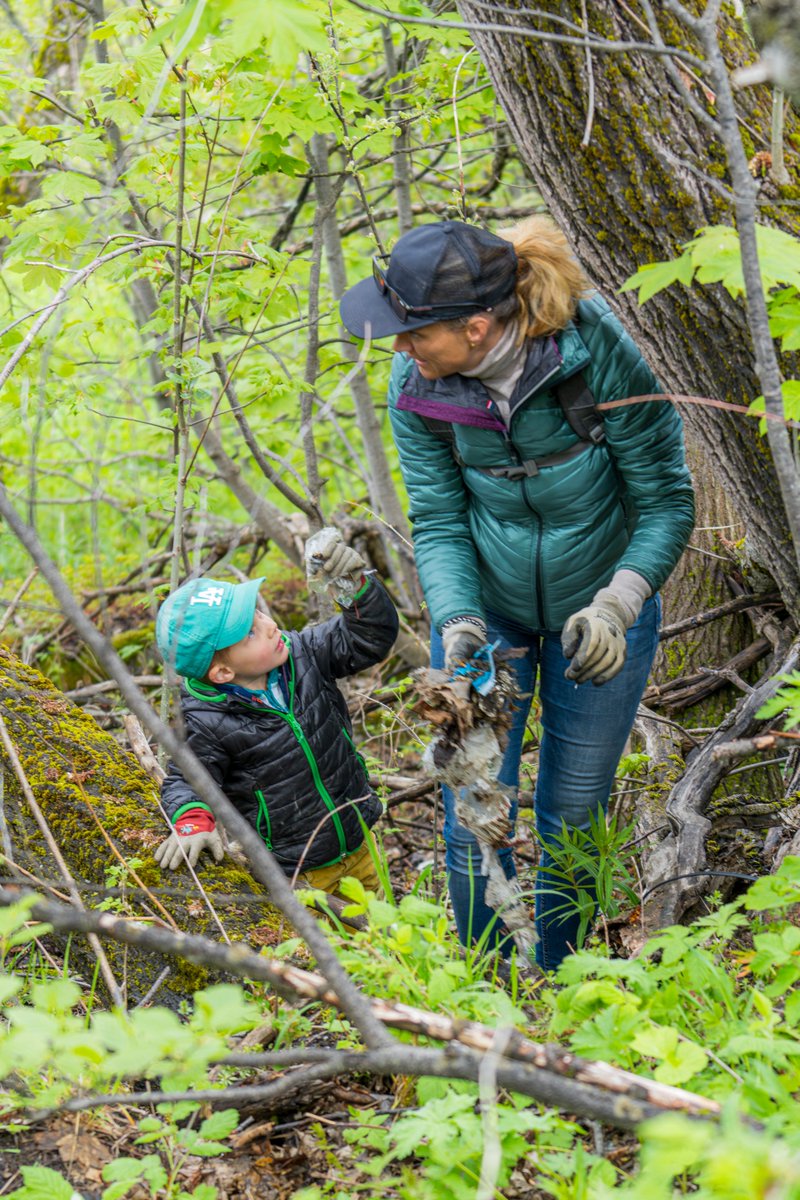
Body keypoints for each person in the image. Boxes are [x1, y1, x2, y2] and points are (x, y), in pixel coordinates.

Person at [339, 216, 694, 971]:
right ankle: (483, 991)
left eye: (411, 332)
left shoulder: (598, 354)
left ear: (474, 326)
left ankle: (567, 986)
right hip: (486, 612)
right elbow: (437, 518)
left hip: (601, 613)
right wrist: (459, 624)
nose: (398, 349)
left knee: (570, 817)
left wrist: (619, 604)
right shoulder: (416, 382)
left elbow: (666, 500)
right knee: (474, 811)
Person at [153, 529, 399, 896]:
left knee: (387, 935)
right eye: (250, 632)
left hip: (358, 838)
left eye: (259, 614)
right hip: (299, 871)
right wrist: (192, 823)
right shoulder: (204, 720)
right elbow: (187, 779)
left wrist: (353, 587)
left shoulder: (304, 653)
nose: (270, 626)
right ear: (222, 672)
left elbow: (368, 638)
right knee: (338, 948)